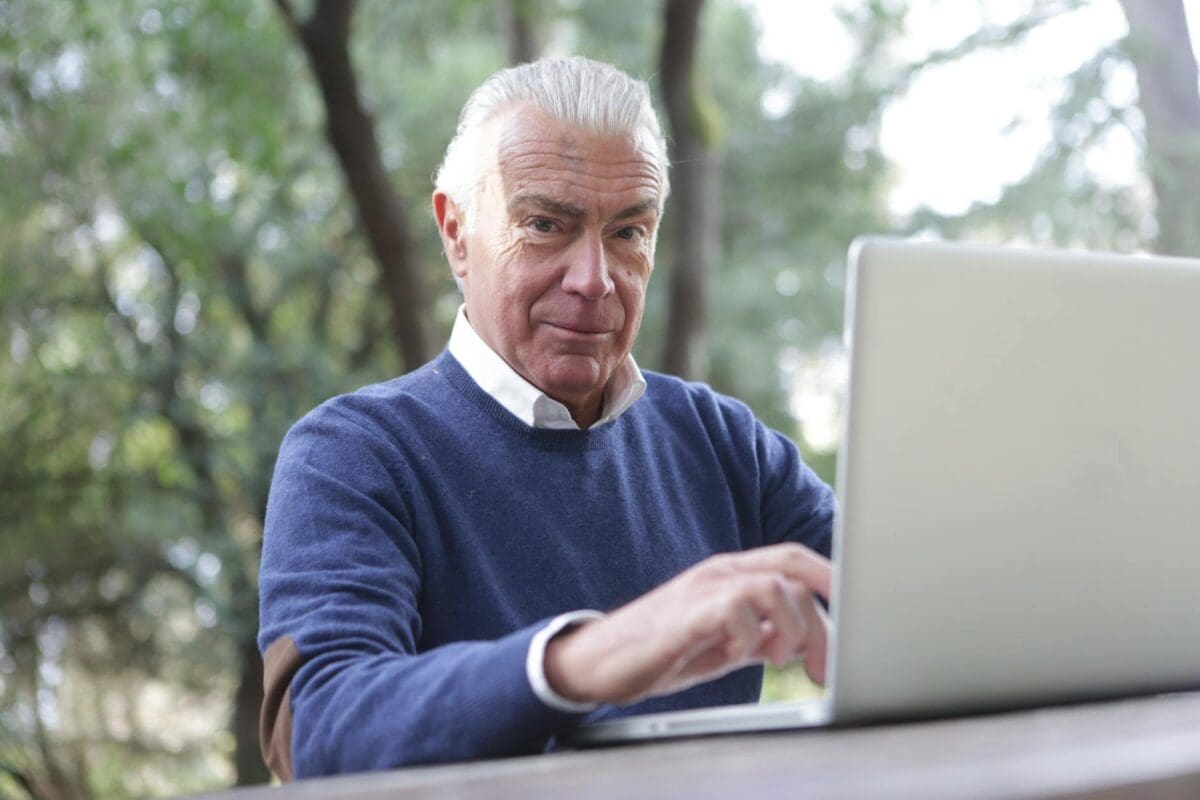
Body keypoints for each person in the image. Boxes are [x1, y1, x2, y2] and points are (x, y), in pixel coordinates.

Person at [257, 56, 835, 781]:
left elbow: (905, 607)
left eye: (629, 232)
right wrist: (583, 659)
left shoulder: (724, 445)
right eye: (544, 225)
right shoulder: (353, 455)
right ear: (456, 232)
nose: (594, 280)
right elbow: (318, 724)